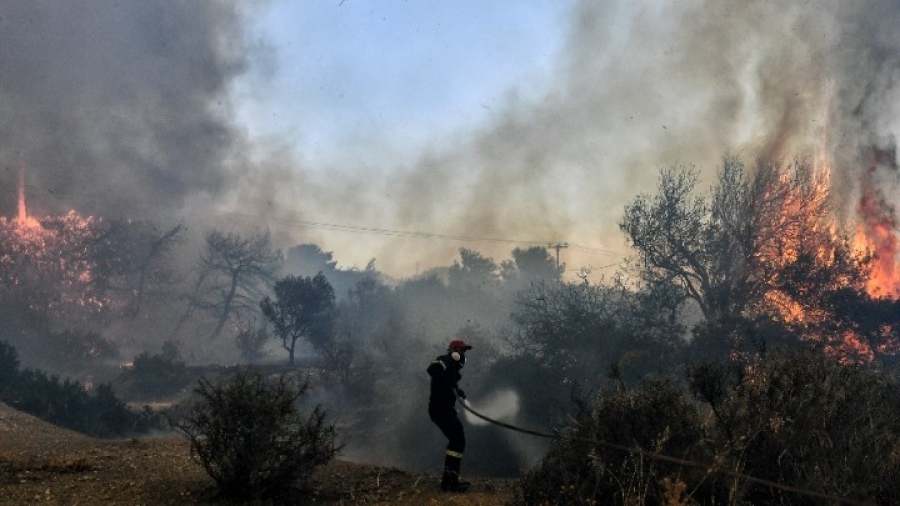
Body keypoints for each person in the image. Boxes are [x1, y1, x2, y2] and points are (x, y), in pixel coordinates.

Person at [426, 339, 473, 492]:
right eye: (461, 350)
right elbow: (432, 370)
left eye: (464, 351)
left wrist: (457, 391)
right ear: (453, 351)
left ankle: (451, 481)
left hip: (444, 408)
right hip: (440, 408)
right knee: (457, 439)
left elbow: (447, 384)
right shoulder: (445, 359)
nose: (463, 354)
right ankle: (450, 483)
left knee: (457, 440)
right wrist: (449, 382)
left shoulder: (452, 370)